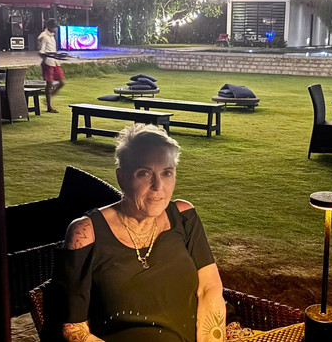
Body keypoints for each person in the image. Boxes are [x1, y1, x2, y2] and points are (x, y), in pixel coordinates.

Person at [55, 123, 226, 342]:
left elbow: (209, 288)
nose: (158, 186)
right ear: (122, 177)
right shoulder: (86, 233)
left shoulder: (184, 216)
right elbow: (73, 329)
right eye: (144, 173)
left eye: (167, 173)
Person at [38, 18, 65, 113]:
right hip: (48, 63)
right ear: (49, 26)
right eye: (54, 27)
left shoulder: (52, 36)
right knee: (49, 85)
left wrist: (57, 55)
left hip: (55, 62)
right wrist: (49, 55)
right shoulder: (43, 36)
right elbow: (41, 51)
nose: (55, 29)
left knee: (61, 83)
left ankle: (47, 100)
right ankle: (49, 106)